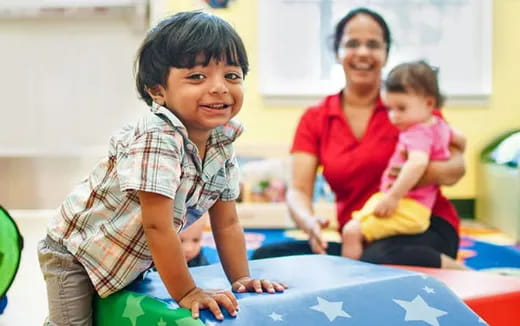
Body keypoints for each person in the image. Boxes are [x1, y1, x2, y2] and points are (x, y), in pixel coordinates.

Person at [37, 11, 286, 326]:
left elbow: (227, 222)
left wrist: (241, 279)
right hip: (76, 252)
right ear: (158, 91)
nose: (220, 87)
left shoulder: (222, 140)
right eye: (197, 76)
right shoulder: (158, 137)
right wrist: (187, 292)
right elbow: (158, 226)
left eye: (232, 76)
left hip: (130, 257)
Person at [252, 7, 466, 269]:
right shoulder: (316, 117)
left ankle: (464, 275)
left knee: (377, 259)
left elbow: (456, 168)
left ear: (386, 53)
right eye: (352, 43)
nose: (363, 52)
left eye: (373, 44)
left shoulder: (411, 107)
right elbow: (298, 190)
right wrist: (309, 223)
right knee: (267, 258)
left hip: (422, 227)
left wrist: (416, 174)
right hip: (362, 234)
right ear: (338, 53)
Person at [341, 60, 465, 261]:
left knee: (351, 233)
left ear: (429, 103)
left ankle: (350, 279)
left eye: (401, 108)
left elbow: (417, 163)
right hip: (415, 205)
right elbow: (461, 139)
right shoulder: (438, 125)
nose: (393, 116)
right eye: (390, 108)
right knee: (356, 228)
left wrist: (393, 197)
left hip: (408, 205)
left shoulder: (415, 133)